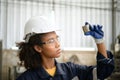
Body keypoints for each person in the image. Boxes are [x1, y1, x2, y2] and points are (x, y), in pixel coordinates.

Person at [16, 16, 114, 80]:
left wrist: (99, 41)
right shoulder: (26, 78)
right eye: (51, 41)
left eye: (57, 39)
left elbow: (102, 73)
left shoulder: (71, 70)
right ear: (38, 48)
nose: (58, 44)